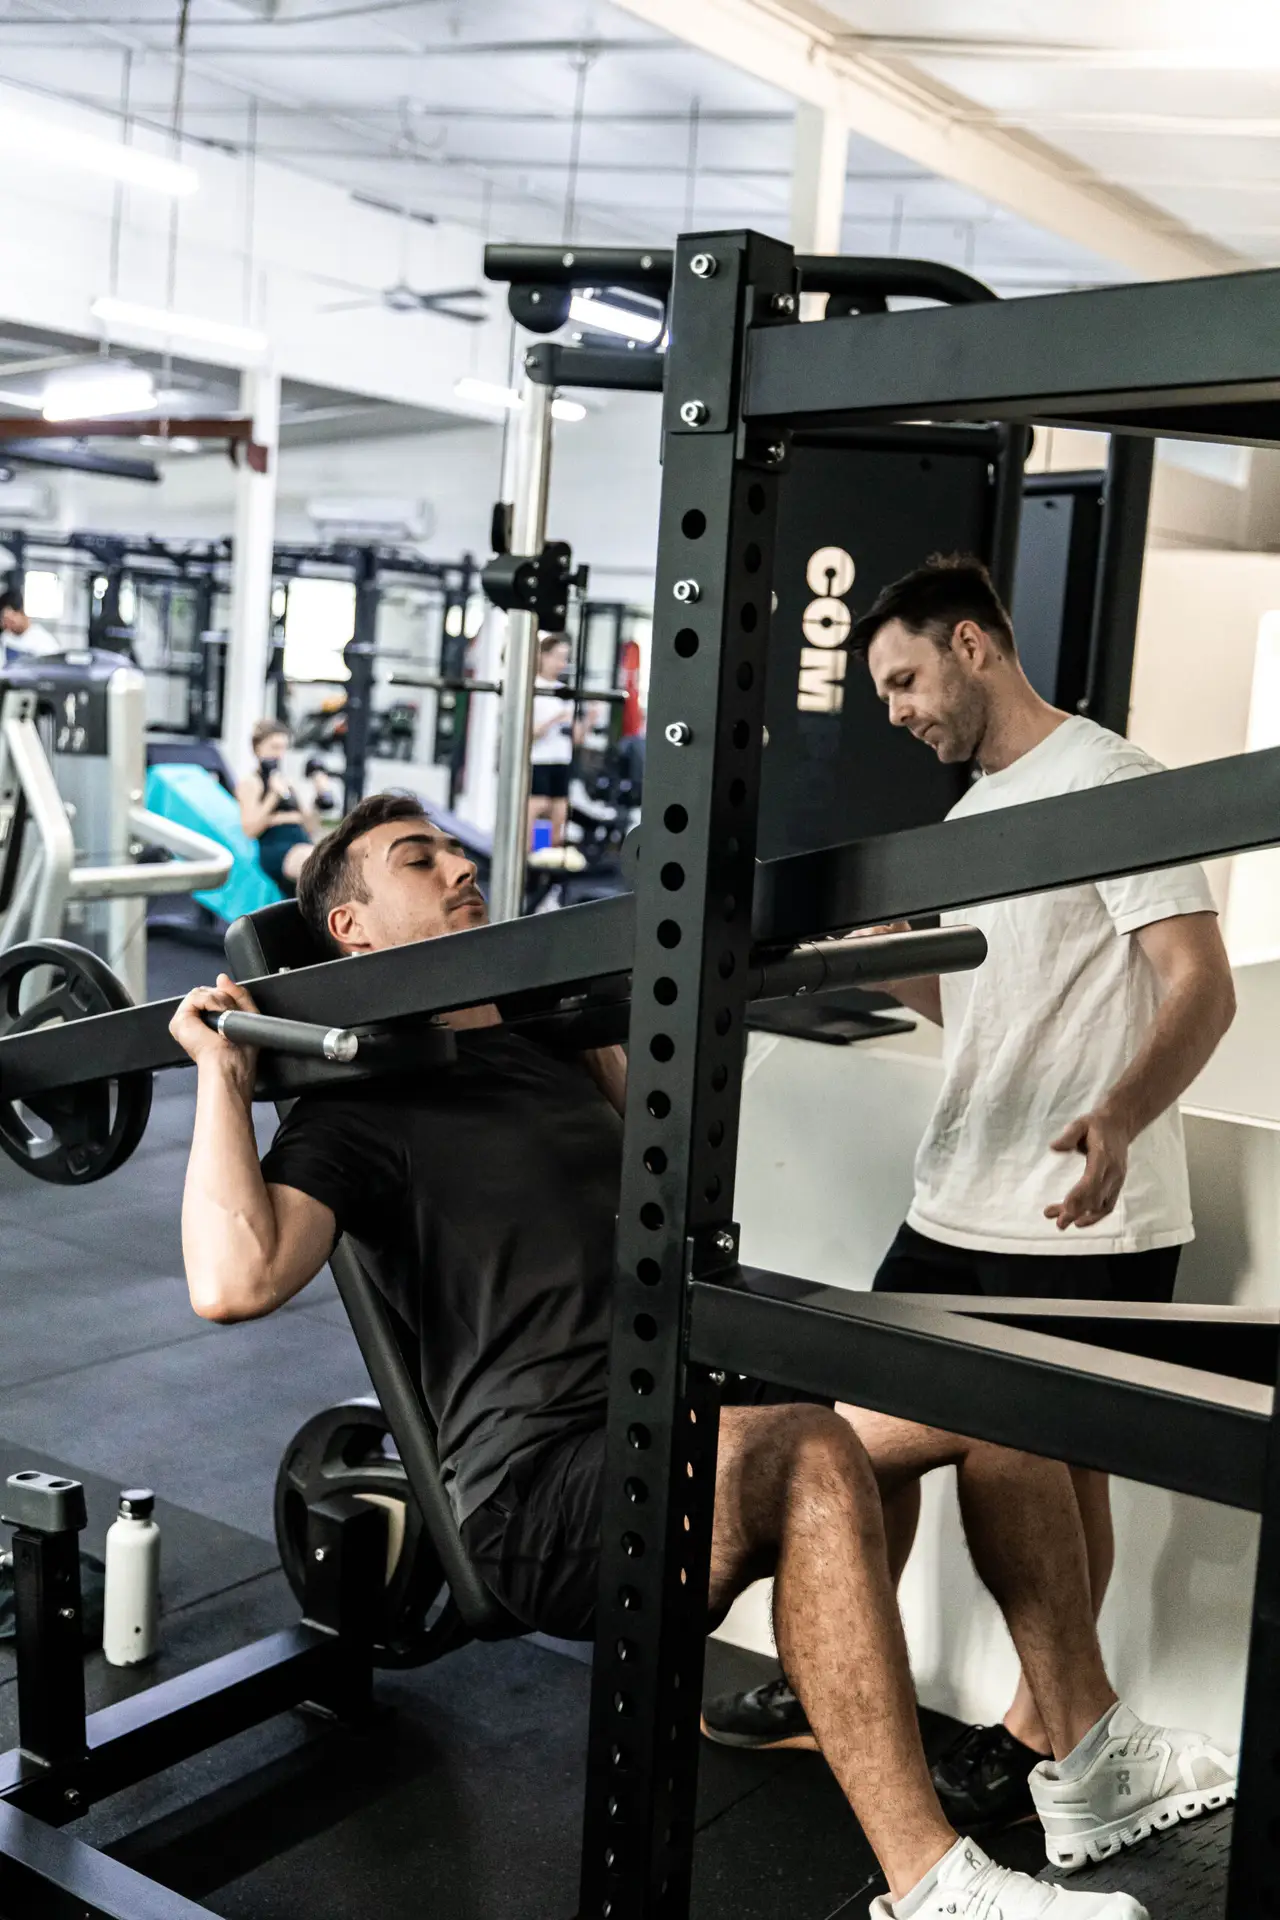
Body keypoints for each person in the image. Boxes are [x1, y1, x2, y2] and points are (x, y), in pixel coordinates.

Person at [168, 791, 1234, 1920]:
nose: (458, 865)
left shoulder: (541, 1043)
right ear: (351, 929)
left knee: (983, 1392)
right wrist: (219, 1079)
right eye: (415, 860)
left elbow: (663, 1174)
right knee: (808, 1455)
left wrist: (599, 1009)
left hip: (669, 1411)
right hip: (545, 1490)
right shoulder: (361, 1111)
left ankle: (1088, 1759)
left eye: (452, 847)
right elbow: (234, 1281)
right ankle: (931, 1888)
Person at [705, 554, 1237, 1830]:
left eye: (901, 680)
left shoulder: (1111, 782)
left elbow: (1199, 984)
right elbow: (987, 1007)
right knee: (928, 1451)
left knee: (1012, 1461)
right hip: (952, 1198)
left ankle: (1040, 1732)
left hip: (1078, 1212)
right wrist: (883, 969)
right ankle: (857, 1673)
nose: (893, 711)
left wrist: (1119, 1115)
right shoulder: (971, 819)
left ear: (970, 645)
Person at [237, 719, 319, 896]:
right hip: (277, 847)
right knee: (317, 864)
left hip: (301, 842)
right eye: (274, 748)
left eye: (283, 748)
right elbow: (249, 829)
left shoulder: (286, 782)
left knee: (336, 859)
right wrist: (274, 796)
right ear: (258, 749)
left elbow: (311, 827)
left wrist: (315, 798)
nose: (279, 755)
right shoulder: (251, 783)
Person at [528, 632, 579, 848]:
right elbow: (529, 733)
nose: (561, 663)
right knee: (537, 806)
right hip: (540, 759)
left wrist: (589, 720)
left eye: (565, 658)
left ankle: (549, 859)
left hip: (562, 759)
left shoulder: (565, 693)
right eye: (558, 657)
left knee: (560, 815)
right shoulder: (532, 687)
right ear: (544, 656)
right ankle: (528, 856)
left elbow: (575, 738)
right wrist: (554, 719)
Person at [0, 587, 63, 659]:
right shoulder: (5, 638)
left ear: (22, 612)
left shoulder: (44, 641)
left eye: (10, 621)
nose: (7, 626)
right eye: (4, 622)